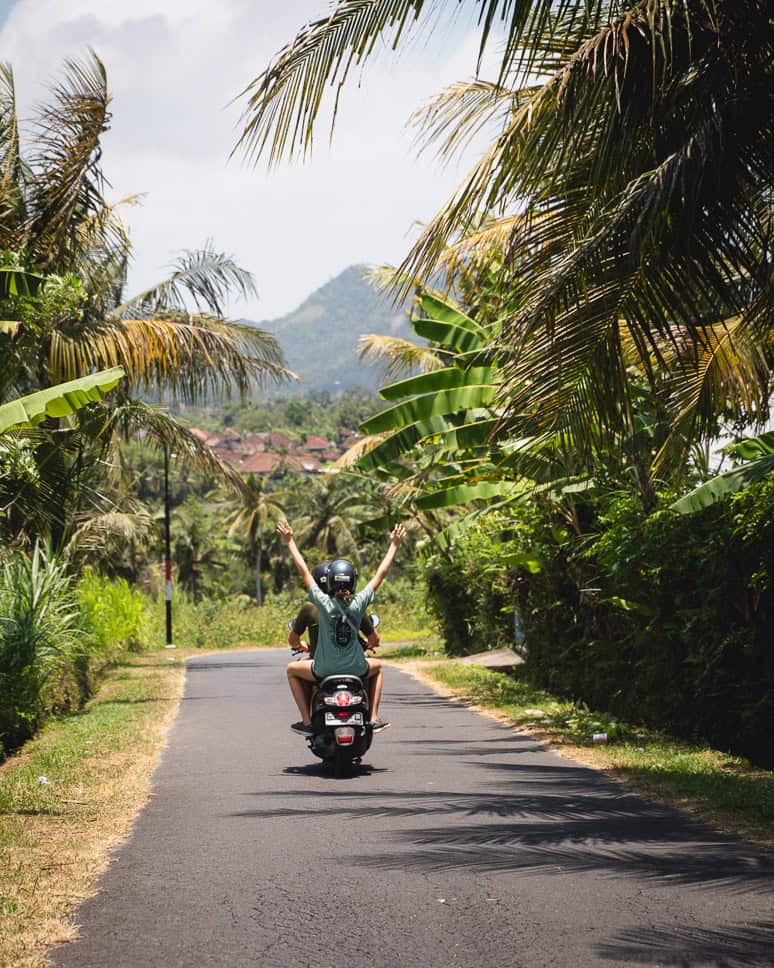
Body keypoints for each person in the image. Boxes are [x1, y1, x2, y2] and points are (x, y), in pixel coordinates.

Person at [277, 519, 406, 734]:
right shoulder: (359, 604)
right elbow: (380, 575)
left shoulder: (322, 603)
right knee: (379, 667)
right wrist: (394, 544)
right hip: (357, 669)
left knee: (291, 670)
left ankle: (307, 723)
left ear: (328, 582)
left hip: (322, 670)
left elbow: (304, 572)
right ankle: (373, 718)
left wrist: (289, 541)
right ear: (353, 582)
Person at [288, 561, 380, 659]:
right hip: (352, 664)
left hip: (319, 666)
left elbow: (293, 640)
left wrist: (300, 645)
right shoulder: (355, 605)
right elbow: (374, 639)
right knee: (376, 667)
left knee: (293, 669)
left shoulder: (309, 608)